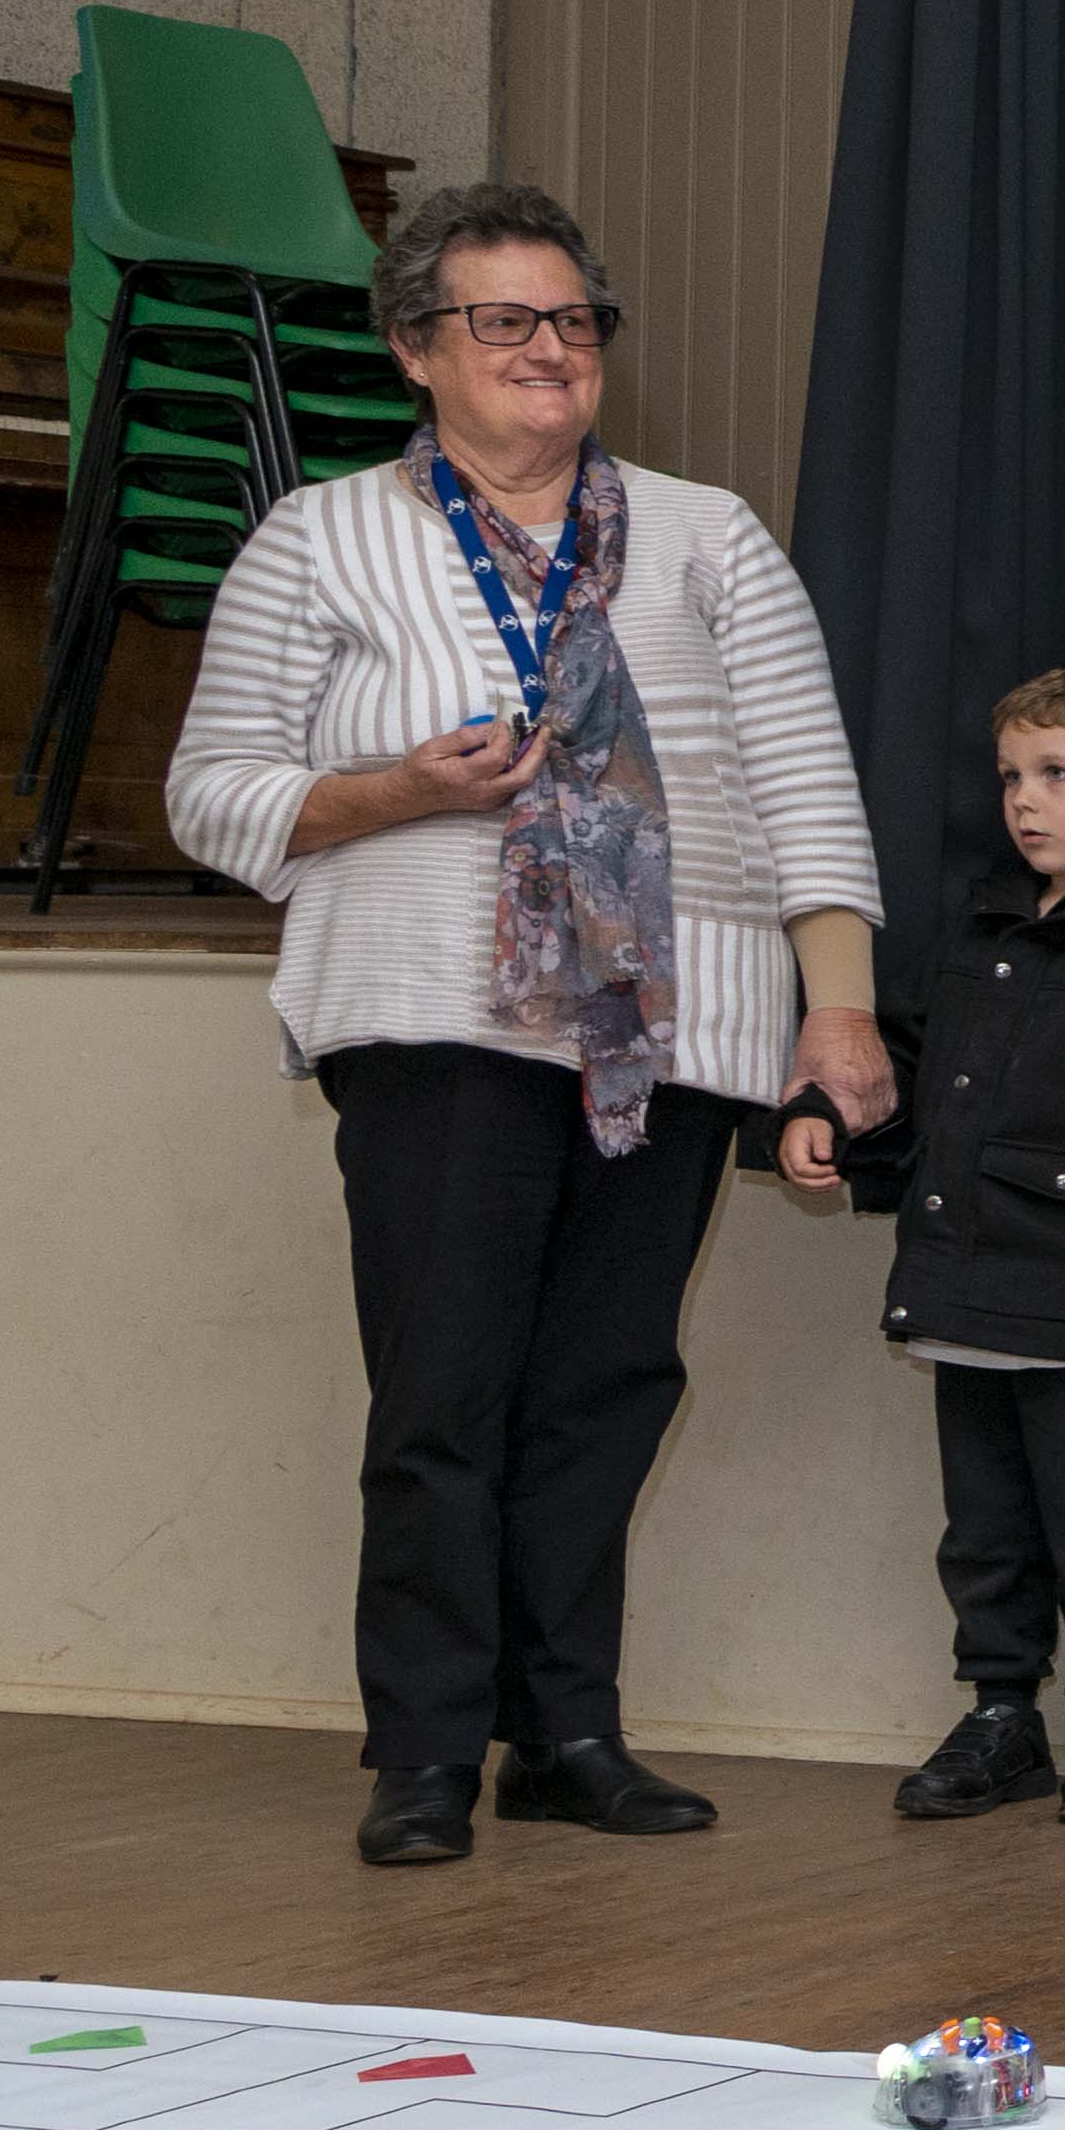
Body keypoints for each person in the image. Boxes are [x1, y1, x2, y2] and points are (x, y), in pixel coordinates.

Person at [164, 179, 895, 1868]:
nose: (549, 348)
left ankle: (567, 1733)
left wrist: (840, 1012)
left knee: (607, 1386)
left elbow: (805, 779)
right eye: (505, 320)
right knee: (445, 1394)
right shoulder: (320, 538)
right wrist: (395, 791)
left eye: (573, 319)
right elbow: (208, 795)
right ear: (417, 349)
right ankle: (426, 1750)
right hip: (433, 1013)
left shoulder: (710, 535)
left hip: (675, 1025)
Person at [782, 659, 1065, 1829]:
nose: (1024, 799)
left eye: (1058, 773)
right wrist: (830, 1117)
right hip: (964, 1285)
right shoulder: (985, 922)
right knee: (984, 1531)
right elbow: (919, 1071)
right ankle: (1002, 1713)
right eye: (1012, 775)